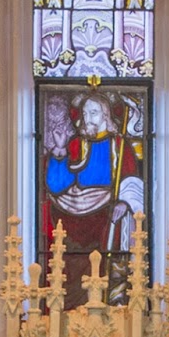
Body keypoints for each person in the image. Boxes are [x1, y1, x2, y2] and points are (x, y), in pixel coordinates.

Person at [44, 94, 144, 303]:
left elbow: (132, 180)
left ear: (106, 114)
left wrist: (125, 202)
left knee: (105, 267)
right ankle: (70, 314)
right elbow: (56, 185)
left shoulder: (119, 145)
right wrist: (60, 151)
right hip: (70, 219)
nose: (88, 117)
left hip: (105, 218)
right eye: (86, 112)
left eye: (94, 112)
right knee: (71, 272)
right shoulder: (75, 144)